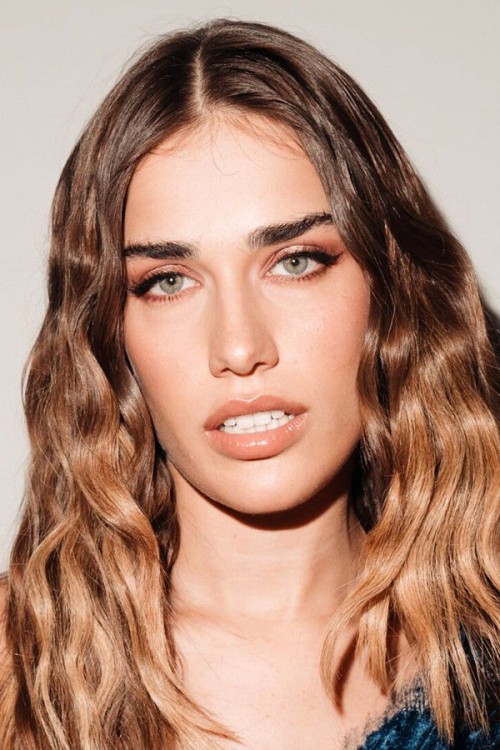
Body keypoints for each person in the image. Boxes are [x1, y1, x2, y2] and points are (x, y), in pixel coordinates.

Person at [0, 18, 498, 750]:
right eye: (169, 280)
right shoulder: (18, 673)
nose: (239, 348)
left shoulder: (486, 655)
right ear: (109, 335)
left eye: (295, 261)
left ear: (392, 292)